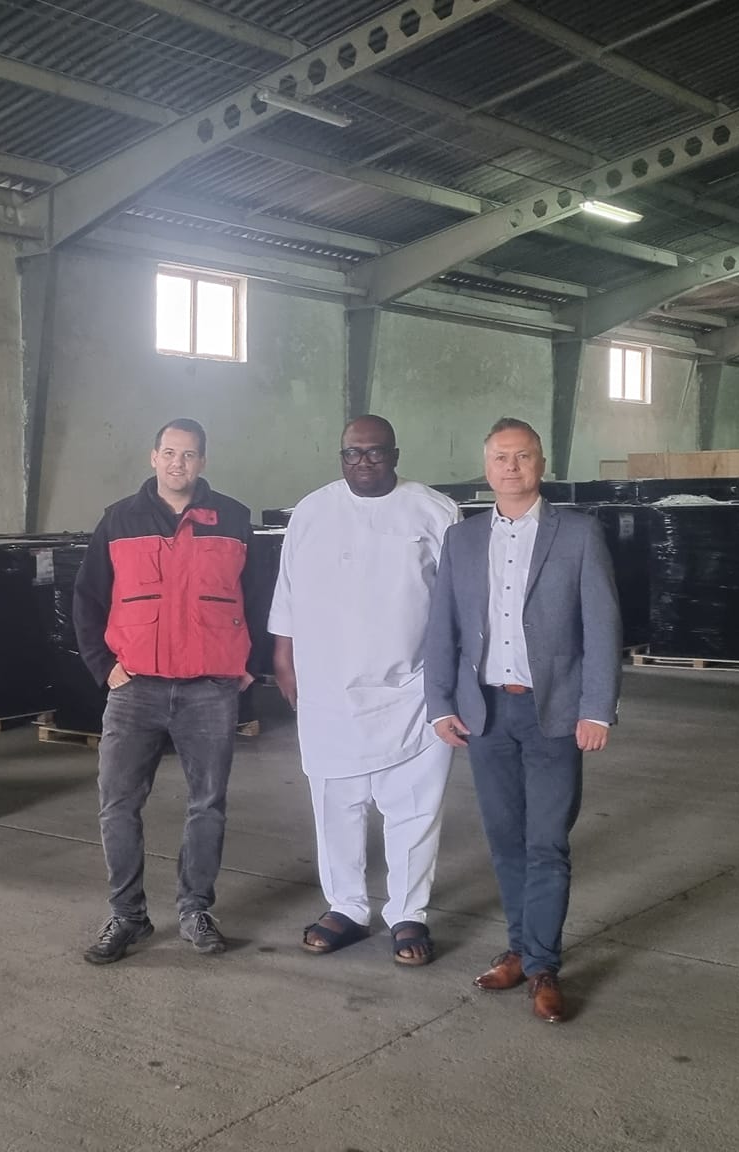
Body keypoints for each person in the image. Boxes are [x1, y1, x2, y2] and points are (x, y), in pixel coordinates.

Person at [424, 417, 621, 1024]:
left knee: (547, 843)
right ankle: (519, 948)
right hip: (485, 712)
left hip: (553, 711)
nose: (511, 467)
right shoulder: (462, 539)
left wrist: (596, 708)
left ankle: (543, 967)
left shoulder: (578, 533)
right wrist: (441, 703)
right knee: (506, 840)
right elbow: (443, 628)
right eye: (500, 457)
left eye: (523, 456)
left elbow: (602, 626)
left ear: (541, 463)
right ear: (486, 466)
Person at [270, 416, 461, 966]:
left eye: (375, 453)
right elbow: (287, 591)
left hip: (413, 688)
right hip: (328, 687)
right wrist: (283, 657)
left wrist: (452, 680)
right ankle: (347, 907)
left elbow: (457, 599)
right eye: (352, 453)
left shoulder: (434, 511)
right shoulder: (312, 511)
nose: (363, 463)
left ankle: (408, 912)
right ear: (341, 457)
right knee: (336, 805)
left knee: (414, 808)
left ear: (395, 455)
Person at [73, 418, 257, 965]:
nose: (179, 463)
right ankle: (128, 916)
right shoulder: (119, 520)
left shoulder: (234, 518)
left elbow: (261, 595)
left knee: (208, 805)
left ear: (204, 461)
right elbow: (87, 598)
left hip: (210, 690)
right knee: (118, 805)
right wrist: (104, 667)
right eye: (170, 453)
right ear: (153, 457)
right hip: (135, 689)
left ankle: (196, 910)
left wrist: (249, 667)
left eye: (190, 454)